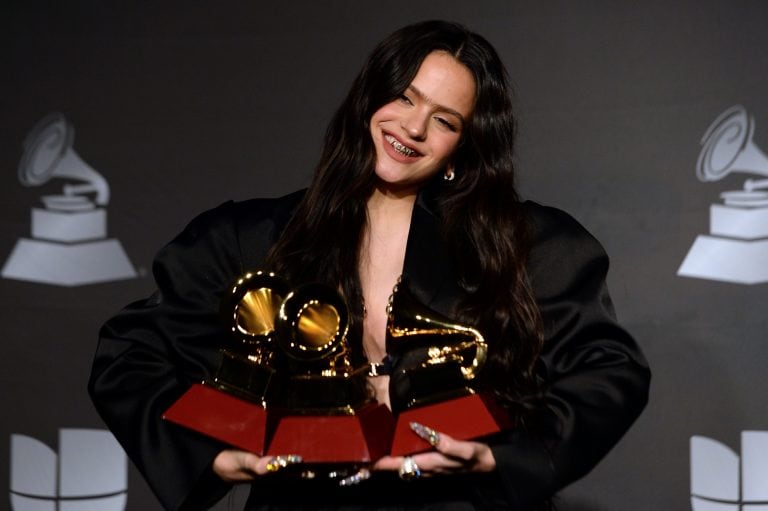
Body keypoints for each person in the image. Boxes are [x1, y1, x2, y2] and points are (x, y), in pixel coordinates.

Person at [89, 20, 650, 511]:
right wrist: (209, 455)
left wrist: (501, 457)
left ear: (465, 146)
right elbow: (130, 354)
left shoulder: (530, 246)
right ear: (368, 99)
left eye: (445, 120)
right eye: (404, 98)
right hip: (303, 502)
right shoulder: (251, 238)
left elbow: (608, 372)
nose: (414, 128)